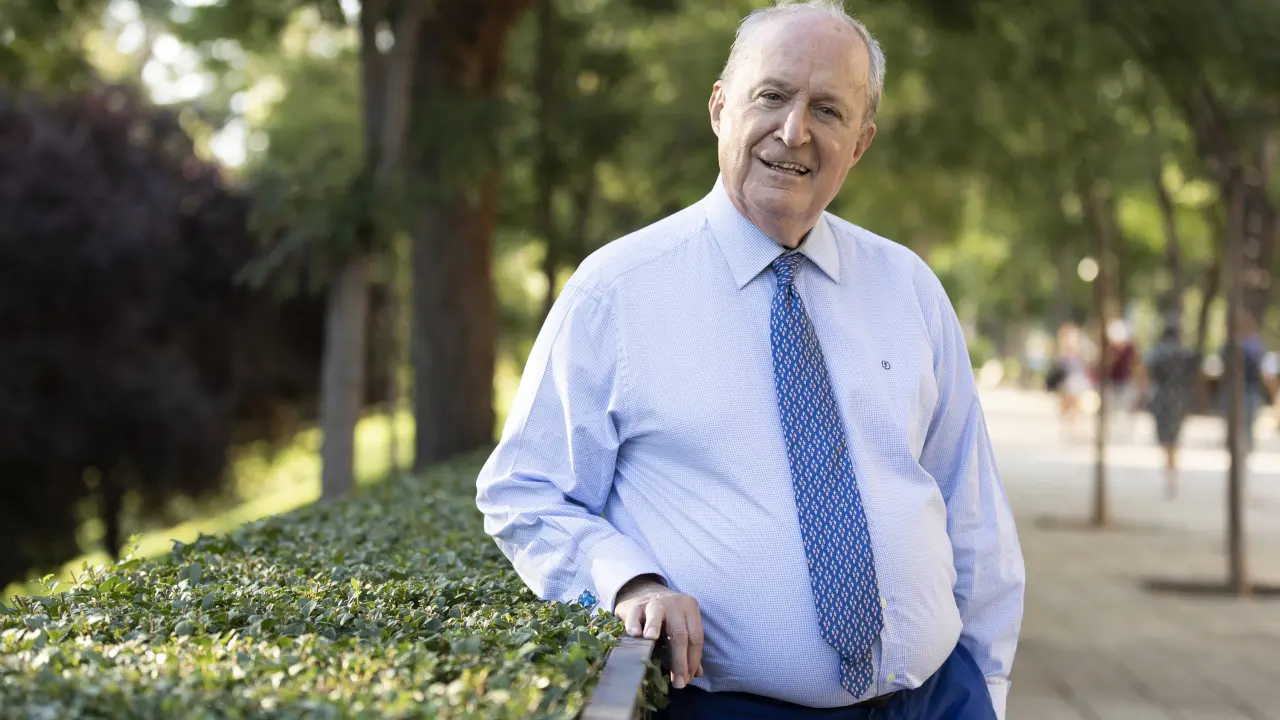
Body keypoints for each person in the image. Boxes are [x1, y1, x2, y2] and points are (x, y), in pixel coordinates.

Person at [476, 2, 1025, 719]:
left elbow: (970, 507)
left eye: (828, 110)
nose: (794, 131)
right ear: (719, 107)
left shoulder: (908, 287)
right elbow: (524, 488)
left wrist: (987, 687)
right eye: (772, 95)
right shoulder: (615, 292)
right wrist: (627, 581)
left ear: (860, 143)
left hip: (936, 699)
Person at [1141, 322, 1199, 498]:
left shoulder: (1156, 352)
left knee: (1165, 438)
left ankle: (1169, 470)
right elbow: (1194, 374)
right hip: (1179, 398)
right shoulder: (1185, 353)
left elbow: (1145, 373)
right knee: (1174, 438)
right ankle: (1172, 471)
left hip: (1162, 397)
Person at [1053, 322, 1092, 442]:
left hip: (1076, 379)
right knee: (1065, 405)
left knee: (1075, 405)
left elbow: (1086, 362)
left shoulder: (1080, 349)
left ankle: (1073, 429)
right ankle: (1067, 427)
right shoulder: (1063, 351)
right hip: (1066, 380)